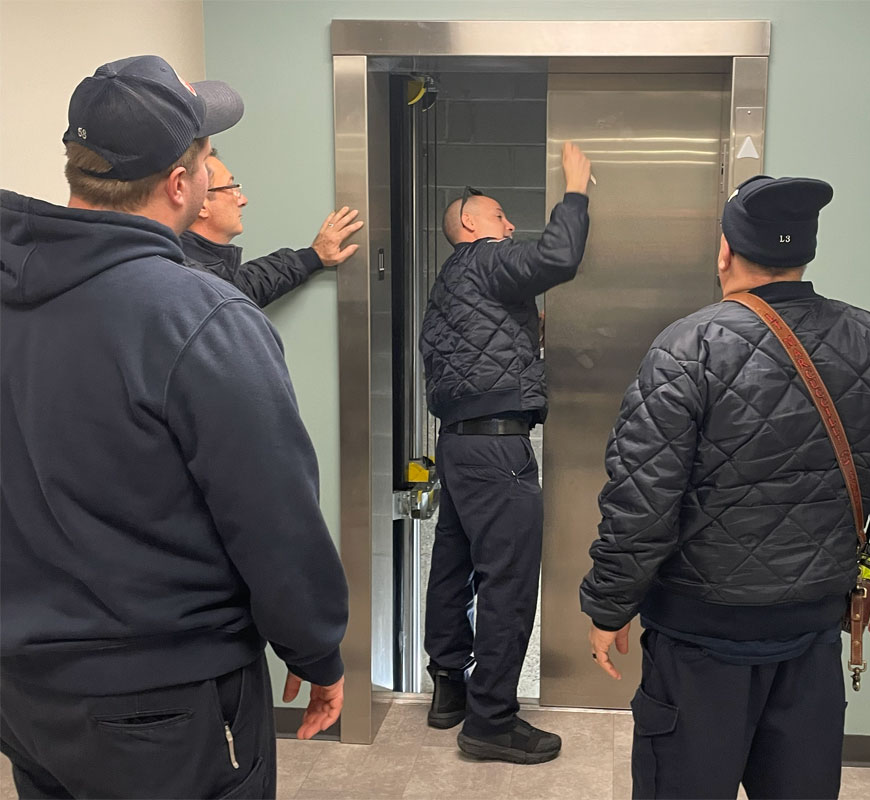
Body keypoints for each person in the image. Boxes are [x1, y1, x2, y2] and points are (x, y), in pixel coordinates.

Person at [0, 55, 348, 800]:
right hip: (163, 700)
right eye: (206, 156)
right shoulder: (198, 319)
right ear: (181, 185)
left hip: (24, 696)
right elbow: (274, 520)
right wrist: (316, 650)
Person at [580, 176, 870, 799]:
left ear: (725, 251)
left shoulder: (686, 348)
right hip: (812, 635)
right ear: (806, 252)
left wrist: (610, 605)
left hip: (698, 640)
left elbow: (642, 500)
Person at [420, 141, 592, 765]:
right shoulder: (486, 258)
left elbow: (479, 350)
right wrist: (575, 191)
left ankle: (449, 686)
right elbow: (558, 257)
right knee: (508, 581)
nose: (509, 225)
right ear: (470, 225)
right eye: (499, 215)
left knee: (453, 564)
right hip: (497, 450)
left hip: (459, 444)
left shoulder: (450, 283)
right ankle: (490, 720)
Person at [180, 149, 363, 307]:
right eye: (233, 189)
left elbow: (248, 285)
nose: (243, 200)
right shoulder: (194, 287)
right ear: (201, 205)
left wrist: (314, 256)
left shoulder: (202, 276)